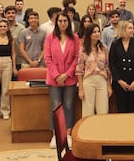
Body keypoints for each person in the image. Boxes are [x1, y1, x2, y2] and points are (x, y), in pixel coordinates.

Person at [45, 11, 80, 149]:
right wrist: (57, 75)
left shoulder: (75, 38)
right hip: (54, 79)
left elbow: (76, 58)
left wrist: (67, 74)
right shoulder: (50, 37)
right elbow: (48, 58)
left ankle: (68, 135)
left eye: (65, 21)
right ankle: (55, 136)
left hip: (70, 78)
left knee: (69, 106)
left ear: (69, 22)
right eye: (60, 21)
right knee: (55, 106)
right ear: (56, 22)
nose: (63, 23)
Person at [76, 23, 112, 116]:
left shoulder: (104, 48)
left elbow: (107, 67)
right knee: (88, 111)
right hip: (88, 81)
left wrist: (108, 85)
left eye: (98, 32)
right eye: (94, 32)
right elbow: (79, 70)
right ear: (89, 34)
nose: (97, 34)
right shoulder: (83, 49)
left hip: (102, 81)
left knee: (103, 111)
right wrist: (80, 88)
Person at [109, 21, 134, 113]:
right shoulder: (115, 44)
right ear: (123, 29)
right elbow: (112, 64)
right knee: (121, 108)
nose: (132, 30)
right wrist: (119, 80)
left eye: (132, 28)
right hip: (120, 82)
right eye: (130, 28)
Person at [4, 6, 25, 78]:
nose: (11, 15)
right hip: (5, 60)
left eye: (13, 13)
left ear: (16, 14)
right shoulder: (2, 27)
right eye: (8, 13)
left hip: (18, 60)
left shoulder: (21, 28)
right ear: (5, 14)